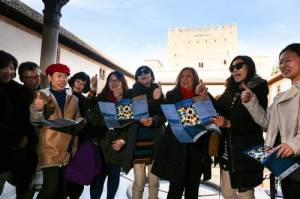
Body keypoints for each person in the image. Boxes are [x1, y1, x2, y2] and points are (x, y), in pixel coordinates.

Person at [241, 43, 300, 199]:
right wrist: (251, 102)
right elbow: (267, 122)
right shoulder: (281, 96)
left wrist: (293, 145)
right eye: (280, 62)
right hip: (285, 161)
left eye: (288, 60)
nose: (283, 65)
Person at [213, 55, 269, 199]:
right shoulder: (231, 89)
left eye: (238, 66)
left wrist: (230, 123)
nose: (234, 70)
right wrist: (205, 96)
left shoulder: (259, 85)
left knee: (246, 194)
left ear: (249, 66)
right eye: (232, 68)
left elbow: (259, 122)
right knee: (228, 194)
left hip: (248, 148)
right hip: (228, 149)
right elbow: (221, 109)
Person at [152, 67, 212, 199]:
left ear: (195, 79)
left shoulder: (202, 95)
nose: (185, 79)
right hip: (177, 148)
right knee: (175, 190)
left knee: (192, 190)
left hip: (197, 148)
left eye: (188, 76)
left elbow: (214, 113)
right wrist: (158, 99)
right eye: (182, 76)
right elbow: (163, 115)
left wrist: (205, 97)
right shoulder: (171, 95)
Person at [30, 63, 82, 199]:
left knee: (62, 190)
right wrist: (37, 109)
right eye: (59, 76)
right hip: (49, 148)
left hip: (68, 150)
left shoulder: (74, 98)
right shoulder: (41, 95)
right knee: (50, 188)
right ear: (50, 77)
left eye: (65, 76)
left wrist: (82, 122)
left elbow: (78, 119)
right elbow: (35, 121)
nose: (62, 80)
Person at [123, 65, 165, 199]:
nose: (143, 73)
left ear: (152, 76)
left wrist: (153, 120)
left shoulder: (158, 92)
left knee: (154, 181)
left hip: (155, 143)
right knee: (139, 182)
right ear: (136, 78)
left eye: (147, 71)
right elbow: (124, 117)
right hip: (137, 144)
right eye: (139, 72)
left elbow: (164, 116)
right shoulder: (129, 93)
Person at [0, 51, 35, 199]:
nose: (10, 71)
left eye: (12, 67)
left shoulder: (19, 90)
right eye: (5, 67)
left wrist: (26, 136)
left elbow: (27, 117)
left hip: (13, 149)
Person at [89, 71, 129, 199]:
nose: (114, 82)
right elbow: (92, 117)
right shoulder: (100, 98)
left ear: (123, 82)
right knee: (97, 178)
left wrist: (123, 140)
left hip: (116, 146)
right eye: (111, 80)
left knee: (113, 178)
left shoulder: (128, 100)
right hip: (101, 144)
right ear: (107, 82)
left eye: (117, 80)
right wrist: (93, 89)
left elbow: (129, 125)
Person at [67, 72, 98, 199]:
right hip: (64, 140)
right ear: (73, 80)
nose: (79, 86)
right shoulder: (65, 94)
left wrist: (93, 90)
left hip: (80, 141)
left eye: (83, 84)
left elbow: (89, 106)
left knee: (77, 176)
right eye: (78, 82)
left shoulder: (84, 99)